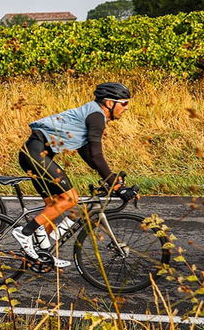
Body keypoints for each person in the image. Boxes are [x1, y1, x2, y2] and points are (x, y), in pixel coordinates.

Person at [14, 82, 133, 264]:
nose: (126, 107)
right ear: (110, 103)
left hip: (33, 152)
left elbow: (89, 155)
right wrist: (114, 184)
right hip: (35, 154)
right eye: (124, 103)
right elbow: (96, 154)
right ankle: (24, 233)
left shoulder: (93, 114)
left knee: (53, 206)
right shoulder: (96, 117)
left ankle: (39, 257)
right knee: (70, 198)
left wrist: (111, 179)